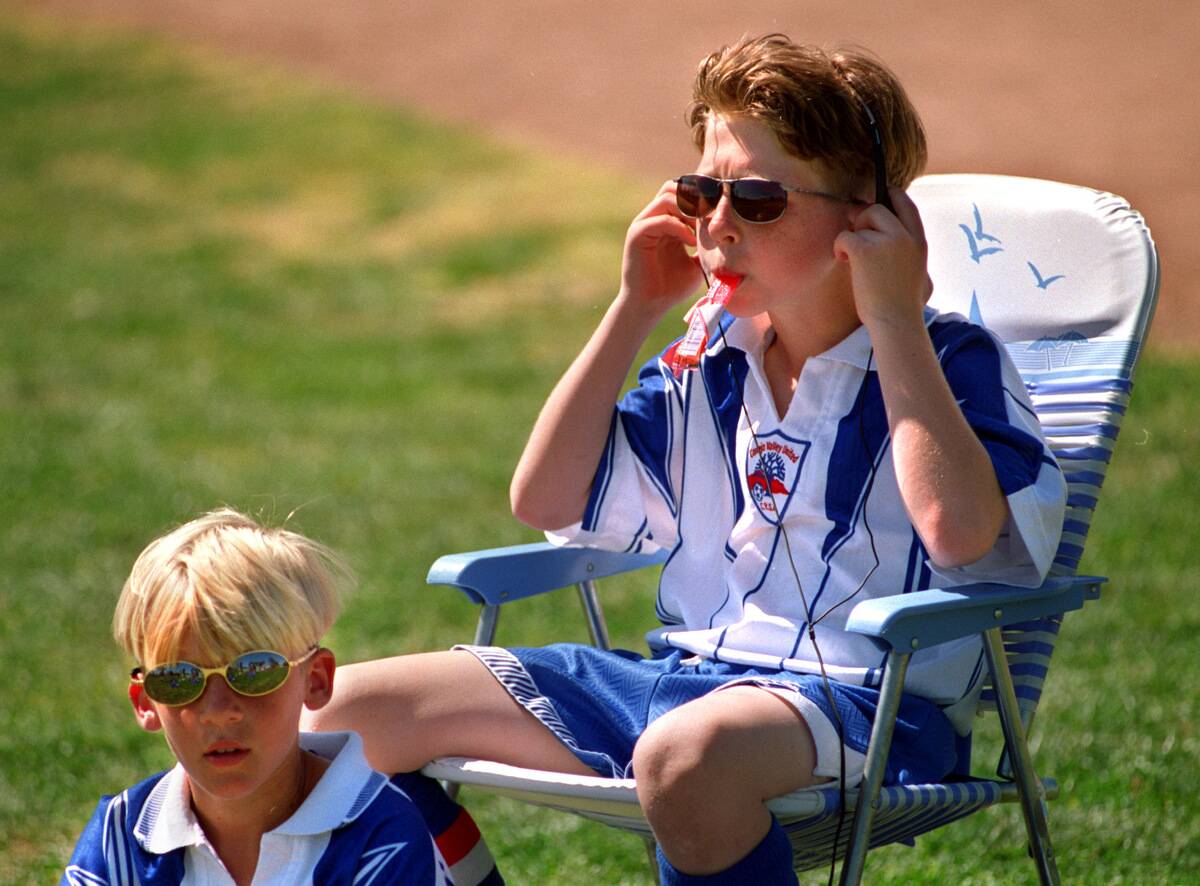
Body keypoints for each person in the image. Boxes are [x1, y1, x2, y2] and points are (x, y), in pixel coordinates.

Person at [306, 34, 1066, 884]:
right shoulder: (709, 360)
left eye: (757, 198)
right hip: (682, 685)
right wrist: (635, 307)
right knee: (330, 720)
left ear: (868, 217)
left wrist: (892, 318)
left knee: (681, 755)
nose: (717, 226)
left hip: (869, 708)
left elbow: (961, 536)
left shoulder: (951, 363)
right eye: (703, 191)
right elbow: (546, 499)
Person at [64, 509, 501, 886]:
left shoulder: (380, 837)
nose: (219, 713)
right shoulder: (121, 835)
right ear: (145, 702)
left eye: (254, 672)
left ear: (315, 680)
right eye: (179, 680)